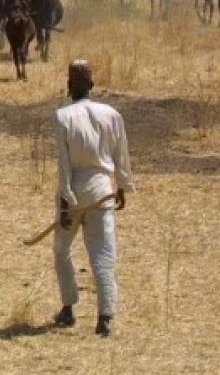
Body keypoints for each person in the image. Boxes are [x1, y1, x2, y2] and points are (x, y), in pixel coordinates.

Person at [52, 60, 133, 337]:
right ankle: (105, 317)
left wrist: (65, 202)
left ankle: (68, 307)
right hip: (102, 191)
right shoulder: (111, 114)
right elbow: (121, 154)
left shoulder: (63, 116)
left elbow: (64, 165)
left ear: (68, 86)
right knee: (103, 255)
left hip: (73, 193)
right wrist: (122, 185)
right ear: (93, 86)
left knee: (62, 251)